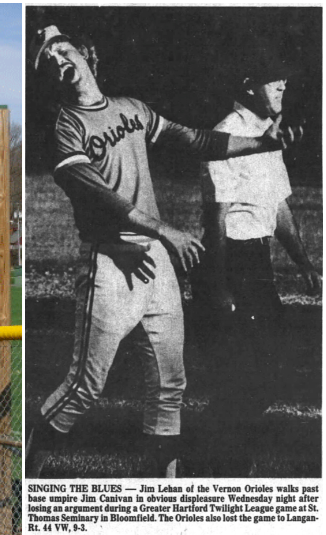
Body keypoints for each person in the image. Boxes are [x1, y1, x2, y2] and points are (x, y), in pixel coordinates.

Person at [24, 25, 299, 478]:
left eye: (63, 50)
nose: (58, 61)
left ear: (86, 54)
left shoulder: (132, 109)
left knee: (171, 386)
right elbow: (99, 197)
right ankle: (25, 477)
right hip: (110, 263)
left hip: (158, 268)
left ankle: (164, 496)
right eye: (48, 61)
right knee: (84, 388)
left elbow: (196, 140)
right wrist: (164, 229)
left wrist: (264, 142)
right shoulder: (66, 127)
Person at [193, 48, 322, 477]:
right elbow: (217, 219)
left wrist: (303, 263)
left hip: (257, 262)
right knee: (250, 375)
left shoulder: (268, 137)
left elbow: (279, 209)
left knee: (268, 371)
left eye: (284, 77)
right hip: (233, 261)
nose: (283, 84)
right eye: (273, 78)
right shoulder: (226, 135)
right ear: (248, 85)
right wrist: (220, 287)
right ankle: (213, 466)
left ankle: (217, 461)